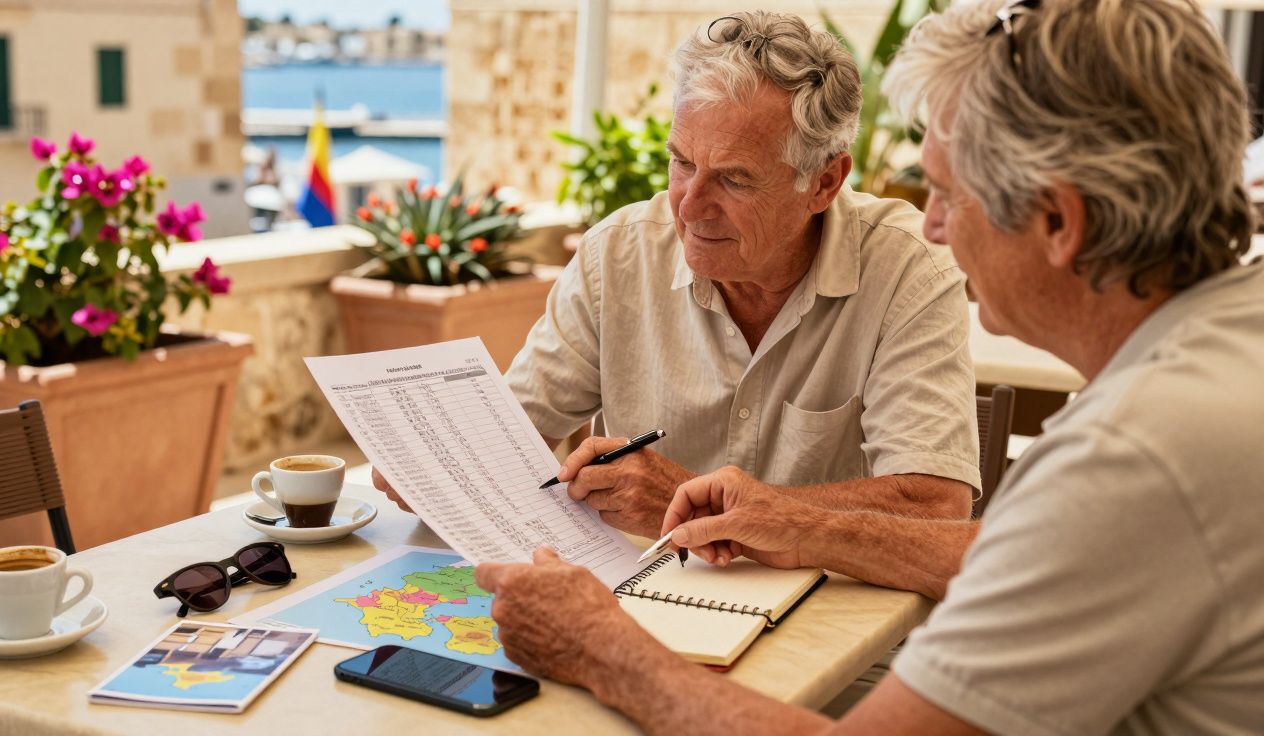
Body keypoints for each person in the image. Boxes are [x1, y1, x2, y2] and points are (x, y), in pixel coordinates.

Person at [475, 0, 1264, 733]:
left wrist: (600, 646)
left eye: (951, 193)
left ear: (1059, 220)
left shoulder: (1133, 457)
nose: (934, 224)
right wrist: (787, 522)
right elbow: (1009, 548)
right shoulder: (1230, 345)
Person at [375, 11, 982, 534]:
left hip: (836, 619)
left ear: (824, 181)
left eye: (735, 178)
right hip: (644, 597)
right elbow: (514, 433)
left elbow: (933, 503)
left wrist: (697, 504)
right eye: (682, 162)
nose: (688, 206)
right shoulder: (616, 256)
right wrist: (436, 459)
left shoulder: (909, 269)